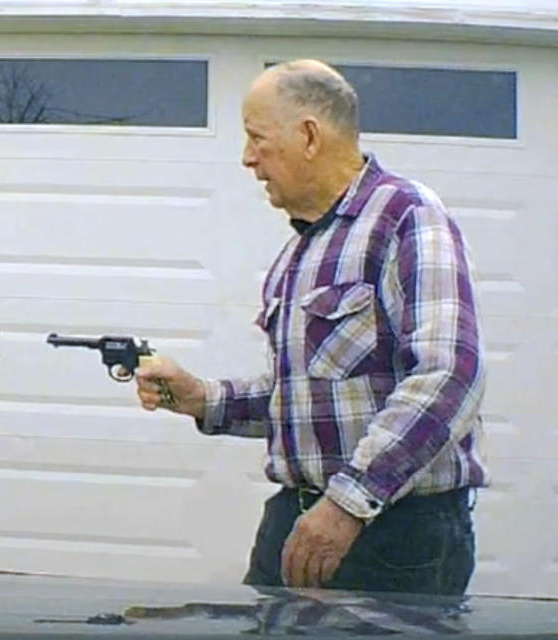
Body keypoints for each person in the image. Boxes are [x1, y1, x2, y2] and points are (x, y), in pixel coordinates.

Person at [134, 60, 487, 595]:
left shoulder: (407, 217)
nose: (247, 158)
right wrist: (203, 398)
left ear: (308, 136)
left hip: (394, 536)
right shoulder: (299, 253)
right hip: (297, 521)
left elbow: (448, 374)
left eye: (257, 138)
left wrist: (348, 502)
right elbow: (306, 395)